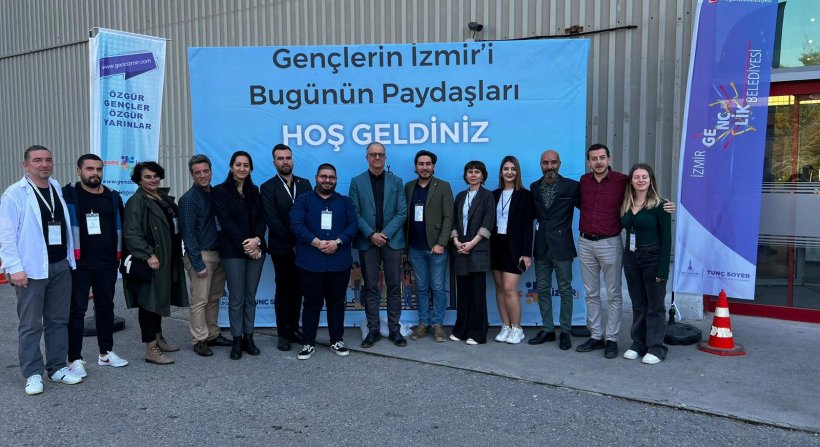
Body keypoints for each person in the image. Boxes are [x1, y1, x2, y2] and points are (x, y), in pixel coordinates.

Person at [576, 144, 674, 359]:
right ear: (589, 162)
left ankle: (612, 339)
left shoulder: (622, 181)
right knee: (593, 294)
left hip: (612, 244)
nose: (599, 162)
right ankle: (597, 336)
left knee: (615, 294)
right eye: (594, 158)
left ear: (609, 159)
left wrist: (667, 205)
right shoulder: (584, 182)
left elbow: (648, 197)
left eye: (602, 157)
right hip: (589, 244)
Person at [0, 145, 81, 394]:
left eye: (48, 159)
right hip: (31, 269)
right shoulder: (14, 194)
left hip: (60, 264)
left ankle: (57, 367)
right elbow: (6, 235)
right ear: (26, 165)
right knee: (31, 324)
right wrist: (14, 268)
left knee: (58, 320)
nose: (44, 164)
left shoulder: (55, 187)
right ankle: (33, 373)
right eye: (37, 160)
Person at [63, 153, 129, 377]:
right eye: (90, 169)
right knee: (77, 311)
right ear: (79, 170)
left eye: (99, 169)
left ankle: (106, 353)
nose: (95, 173)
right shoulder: (68, 196)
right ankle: (74, 358)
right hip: (79, 264)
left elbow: (121, 228)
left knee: (106, 308)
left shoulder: (113, 197)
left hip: (107, 263)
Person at [123, 161, 189, 365]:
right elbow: (131, 233)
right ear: (139, 180)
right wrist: (148, 254)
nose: (153, 180)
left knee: (159, 298)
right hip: (152, 259)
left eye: (155, 176)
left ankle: (158, 338)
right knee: (148, 302)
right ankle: (150, 347)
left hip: (168, 257)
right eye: (147, 177)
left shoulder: (161, 197)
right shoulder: (137, 201)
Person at [290, 164, 358, 360]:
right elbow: (296, 224)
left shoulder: (345, 202)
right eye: (324, 177)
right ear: (316, 178)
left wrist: (338, 242)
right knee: (311, 304)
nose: (327, 180)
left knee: (336, 303)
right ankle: (308, 343)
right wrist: (317, 243)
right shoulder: (303, 200)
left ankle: (337, 340)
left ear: (336, 180)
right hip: (310, 262)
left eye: (331, 177)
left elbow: (353, 225)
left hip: (339, 262)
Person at [349, 142, 408, 348]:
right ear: (366, 157)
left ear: (385, 157)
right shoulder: (356, 182)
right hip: (368, 242)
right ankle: (373, 329)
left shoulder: (396, 182)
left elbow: (402, 212)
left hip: (392, 242)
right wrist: (371, 234)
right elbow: (354, 212)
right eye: (373, 154)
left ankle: (394, 329)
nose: (377, 157)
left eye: (380, 154)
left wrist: (385, 234)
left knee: (394, 286)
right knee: (371, 287)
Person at [212, 151, 267, 360]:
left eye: (246, 165)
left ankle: (248, 338)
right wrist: (248, 244)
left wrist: (257, 240)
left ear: (250, 168)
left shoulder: (255, 190)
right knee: (236, 298)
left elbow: (261, 219)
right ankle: (236, 339)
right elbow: (225, 222)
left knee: (250, 296)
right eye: (238, 164)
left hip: (256, 249)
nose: (242, 168)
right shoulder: (220, 191)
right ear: (231, 167)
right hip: (233, 251)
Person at [260, 143, 312, 351]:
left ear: (292, 160)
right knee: (283, 289)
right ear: (274, 162)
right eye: (280, 159)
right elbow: (272, 220)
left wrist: (301, 242)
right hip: (281, 248)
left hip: (304, 247)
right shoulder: (267, 187)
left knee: (299, 288)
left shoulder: (305, 184)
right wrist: (292, 243)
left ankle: (294, 329)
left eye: (288, 158)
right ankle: (282, 333)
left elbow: (310, 215)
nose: (285, 162)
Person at [527, 150, 580, 351]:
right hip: (541, 246)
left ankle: (565, 331)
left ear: (560, 163)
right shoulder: (534, 187)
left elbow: (590, 208)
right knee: (542, 289)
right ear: (541, 164)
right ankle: (548, 329)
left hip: (562, 246)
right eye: (545, 163)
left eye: (553, 162)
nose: (550, 166)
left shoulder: (572, 187)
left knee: (565, 289)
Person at [179, 154, 231, 357]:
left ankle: (212, 334)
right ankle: (199, 339)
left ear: (211, 171)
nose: (202, 175)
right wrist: (197, 263)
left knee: (214, 298)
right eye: (197, 172)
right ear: (192, 175)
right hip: (201, 255)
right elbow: (188, 234)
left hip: (219, 253)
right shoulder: (189, 200)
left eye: (205, 171)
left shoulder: (215, 193)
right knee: (200, 300)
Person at [620, 163, 671, 364]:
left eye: (644, 177)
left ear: (651, 180)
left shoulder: (661, 205)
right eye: (636, 177)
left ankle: (656, 347)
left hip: (653, 258)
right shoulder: (626, 203)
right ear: (631, 181)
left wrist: (663, 270)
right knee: (638, 304)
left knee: (655, 305)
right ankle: (638, 343)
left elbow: (666, 239)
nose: (640, 180)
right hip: (631, 259)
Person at [405, 150, 454, 343]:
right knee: (421, 287)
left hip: (436, 247)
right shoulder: (409, 187)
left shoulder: (443, 186)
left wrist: (441, 243)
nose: (424, 167)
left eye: (428, 164)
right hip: (415, 247)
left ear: (433, 166)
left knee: (438, 287)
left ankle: (438, 324)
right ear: (415, 166)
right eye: (421, 164)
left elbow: (448, 217)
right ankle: (423, 323)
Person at [449, 160, 495, 345]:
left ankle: (477, 333)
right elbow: (453, 221)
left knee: (477, 294)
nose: (473, 175)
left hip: (478, 249)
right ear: (465, 175)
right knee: (463, 293)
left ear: (483, 176)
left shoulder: (487, 196)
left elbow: (488, 223)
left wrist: (472, 244)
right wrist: (456, 241)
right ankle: (461, 330)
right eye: (470, 171)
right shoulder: (460, 196)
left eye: (477, 172)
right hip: (460, 249)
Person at [490, 155, 533, 345]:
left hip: (515, 248)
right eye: (506, 169)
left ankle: (517, 328)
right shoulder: (493, 195)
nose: (509, 172)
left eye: (513, 169)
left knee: (509, 289)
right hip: (495, 246)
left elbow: (527, 227)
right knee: (499, 288)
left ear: (517, 172)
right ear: (501, 172)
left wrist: (526, 253)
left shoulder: (525, 195)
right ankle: (506, 326)